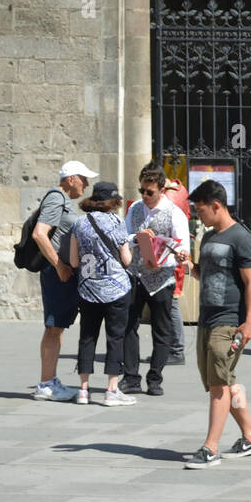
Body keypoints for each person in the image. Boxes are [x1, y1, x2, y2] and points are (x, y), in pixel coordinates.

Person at [184, 179, 251, 468]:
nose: (197, 214)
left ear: (216, 206)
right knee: (221, 381)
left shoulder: (241, 238)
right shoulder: (208, 237)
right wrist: (190, 267)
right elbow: (207, 276)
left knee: (218, 384)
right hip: (206, 319)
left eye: (200, 209)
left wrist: (249, 323)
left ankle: (210, 448)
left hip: (229, 321)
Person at [31, 160, 98, 401]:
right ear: (71, 179)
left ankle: (49, 380)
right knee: (53, 328)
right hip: (57, 274)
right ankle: (46, 384)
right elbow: (39, 233)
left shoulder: (62, 200)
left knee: (56, 328)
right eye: (84, 178)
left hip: (63, 273)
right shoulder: (56, 198)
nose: (87, 184)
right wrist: (59, 266)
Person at [120, 164, 190, 396]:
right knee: (129, 326)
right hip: (137, 274)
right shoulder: (135, 209)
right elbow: (124, 237)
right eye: (142, 191)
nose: (145, 196)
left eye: (149, 192)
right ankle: (130, 377)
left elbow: (182, 246)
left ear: (161, 189)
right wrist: (137, 237)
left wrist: (177, 254)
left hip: (162, 277)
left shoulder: (174, 212)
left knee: (162, 330)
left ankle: (155, 378)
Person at [68, 180, 135, 407]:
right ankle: (111, 389)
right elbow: (126, 259)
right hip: (116, 288)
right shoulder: (116, 222)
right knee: (115, 337)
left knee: (87, 337)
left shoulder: (79, 223)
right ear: (112, 202)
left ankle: (84, 389)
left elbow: (74, 261)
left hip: (88, 289)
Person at [164, 175, 191, 364]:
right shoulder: (180, 189)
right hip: (175, 255)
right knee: (169, 304)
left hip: (170, 257)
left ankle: (177, 349)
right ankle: (172, 348)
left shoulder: (170, 197)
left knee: (171, 304)